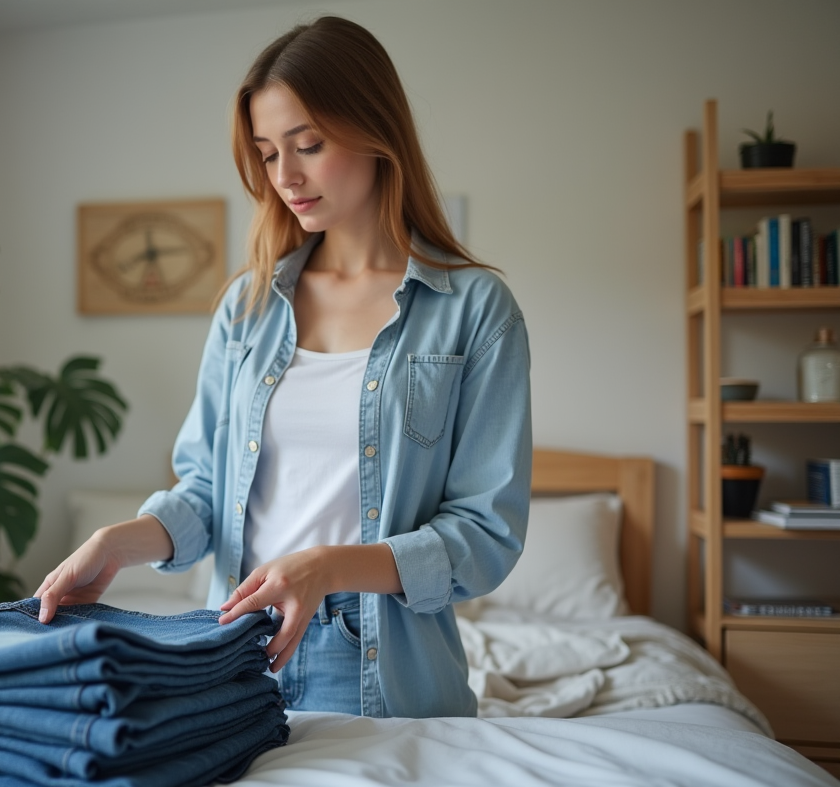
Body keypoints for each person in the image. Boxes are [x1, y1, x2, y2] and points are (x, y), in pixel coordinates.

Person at [36, 15, 531, 719]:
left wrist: (329, 567)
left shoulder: (476, 310)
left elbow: (485, 536)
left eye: (309, 145)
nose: (285, 176)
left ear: (376, 132)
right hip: (232, 657)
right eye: (268, 154)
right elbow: (208, 491)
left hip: (384, 675)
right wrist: (118, 542)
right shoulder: (249, 304)